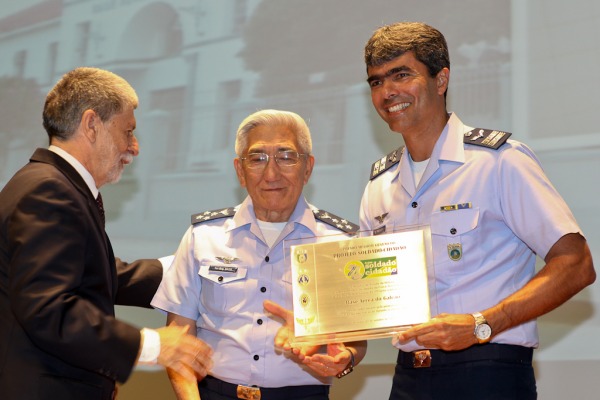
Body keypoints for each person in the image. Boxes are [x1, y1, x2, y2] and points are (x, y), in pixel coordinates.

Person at [358, 21, 596, 399]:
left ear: (441, 80)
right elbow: (369, 296)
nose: (388, 92)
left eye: (402, 75)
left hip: (488, 372)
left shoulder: (499, 161)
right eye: (376, 82)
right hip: (409, 378)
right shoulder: (378, 186)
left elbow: (577, 264)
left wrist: (481, 324)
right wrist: (335, 342)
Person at [0, 67, 213, 400]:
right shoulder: (49, 192)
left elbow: (87, 273)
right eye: (128, 131)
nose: (135, 147)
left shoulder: (48, 183)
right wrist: (152, 345)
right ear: (91, 125)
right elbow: (48, 308)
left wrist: (181, 266)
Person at [151, 109, 367, 400]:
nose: (272, 173)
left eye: (286, 157)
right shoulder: (203, 237)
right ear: (240, 170)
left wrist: (346, 358)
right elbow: (178, 338)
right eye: (257, 159)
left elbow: (355, 342)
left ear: (308, 167)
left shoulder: (340, 243)